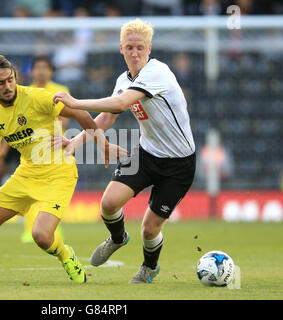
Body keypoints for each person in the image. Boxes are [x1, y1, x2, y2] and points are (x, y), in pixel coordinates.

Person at [0, 52, 125, 284]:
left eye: (10, 79)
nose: (8, 85)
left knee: (40, 236)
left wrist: (103, 144)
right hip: (26, 174)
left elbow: (80, 113)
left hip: (59, 174)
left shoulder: (37, 97)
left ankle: (66, 255)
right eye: (1, 82)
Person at [53, 18, 196, 284]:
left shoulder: (158, 72)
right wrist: (74, 142)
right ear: (121, 48)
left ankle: (149, 268)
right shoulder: (123, 79)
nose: (135, 53)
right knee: (108, 204)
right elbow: (106, 119)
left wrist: (75, 103)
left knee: (150, 228)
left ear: (149, 49)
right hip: (147, 153)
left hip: (179, 164)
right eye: (129, 47)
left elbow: (119, 104)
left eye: (140, 47)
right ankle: (118, 238)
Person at [0, 55, 70, 243]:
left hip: (52, 143)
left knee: (51, 190)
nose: (41, 71)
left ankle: (50, 226)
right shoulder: (24, 92)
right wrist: (4, 148)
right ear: (32, 71)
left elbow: (65, 118)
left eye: (45, 68)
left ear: (51, 71)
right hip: (26, 142)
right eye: (38, 67)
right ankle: (28, 227)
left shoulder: (60, 90)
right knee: (28, 186)